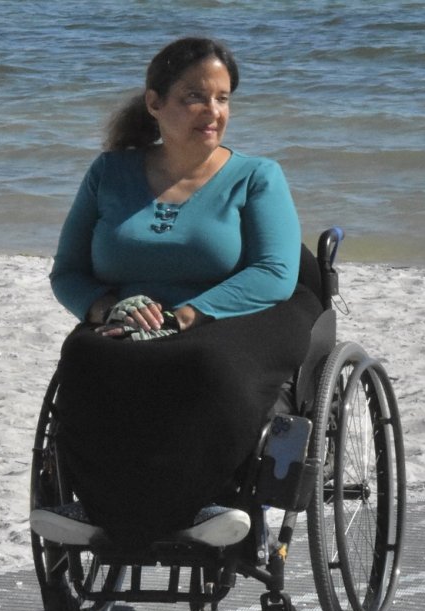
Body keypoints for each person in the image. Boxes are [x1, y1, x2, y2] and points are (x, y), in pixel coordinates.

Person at [31, 37, 322, 550]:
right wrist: (105, 306)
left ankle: (212, 501)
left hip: (244, 306)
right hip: (133, 314)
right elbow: (69, 272)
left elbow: (275, 271)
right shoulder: (110, 173)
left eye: (222, 99)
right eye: (194, 97)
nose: (212, 112)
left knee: (207, 364)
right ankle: (97, 507)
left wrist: (191, 312)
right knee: (85, 352)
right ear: (154, 104)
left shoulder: (256, 176)